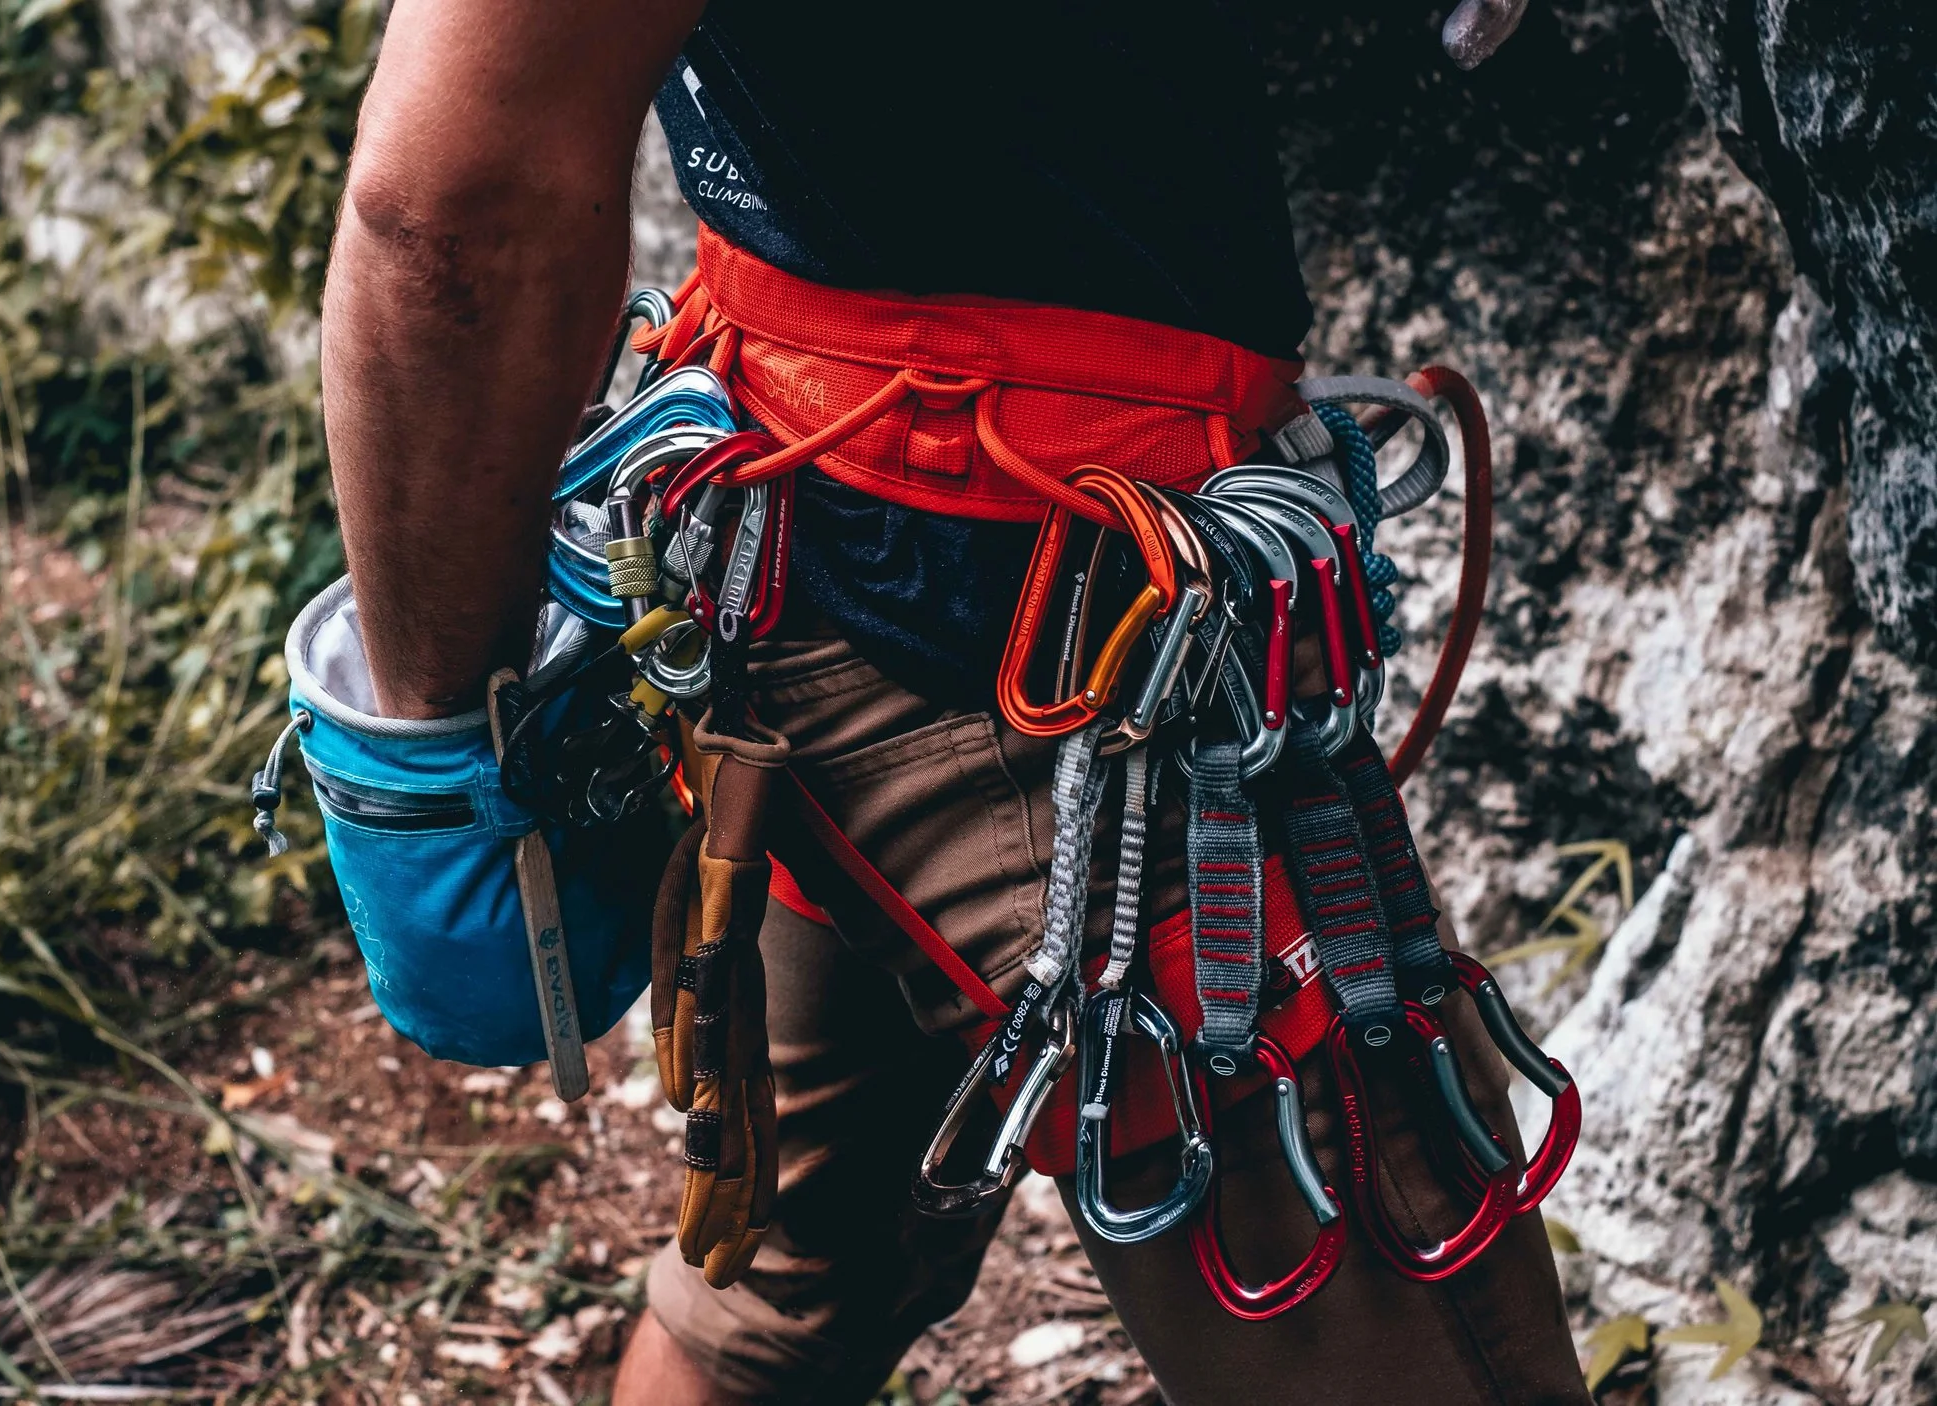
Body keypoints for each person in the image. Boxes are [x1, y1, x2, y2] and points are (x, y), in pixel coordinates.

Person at [320, 1, 1592, 1402]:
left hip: (804, 574)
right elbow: (448, 211)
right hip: (1063, 664)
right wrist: (437, 742)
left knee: (782, 1289)